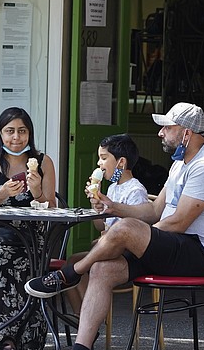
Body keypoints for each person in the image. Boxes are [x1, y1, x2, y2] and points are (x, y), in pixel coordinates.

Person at [25, 102, 204, 350]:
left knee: (126, 230)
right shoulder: (180, 165)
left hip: (198, 254)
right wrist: (112, 207)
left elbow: (179, 222)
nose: (161, 133)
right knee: (103, 268)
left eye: (167, 128)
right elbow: (154, 211)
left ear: (187, 133)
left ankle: (70, 273)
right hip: (172, 248)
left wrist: (135, 236)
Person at [0, 107, 57, 350]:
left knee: (17, 257)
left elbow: (52, 207)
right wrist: (1, 195)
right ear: (0, 134)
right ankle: (4, 337)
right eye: (10, 131)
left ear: (30, 133)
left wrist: (38, 190)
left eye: (22, 131)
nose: (16, 137)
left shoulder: (42, 162)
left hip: (29, 236)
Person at [62, 134, 152, 314]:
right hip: (108, 248)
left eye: (103, 158)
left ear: (121, 163)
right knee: (70, 263)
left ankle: (89, 318)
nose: (98, 164)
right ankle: (84, 319)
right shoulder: (112, 187)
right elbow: (101, 227)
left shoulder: (135, 190)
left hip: (126, 254)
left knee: (80, 266)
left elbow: (136, 229)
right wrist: (96, 206)